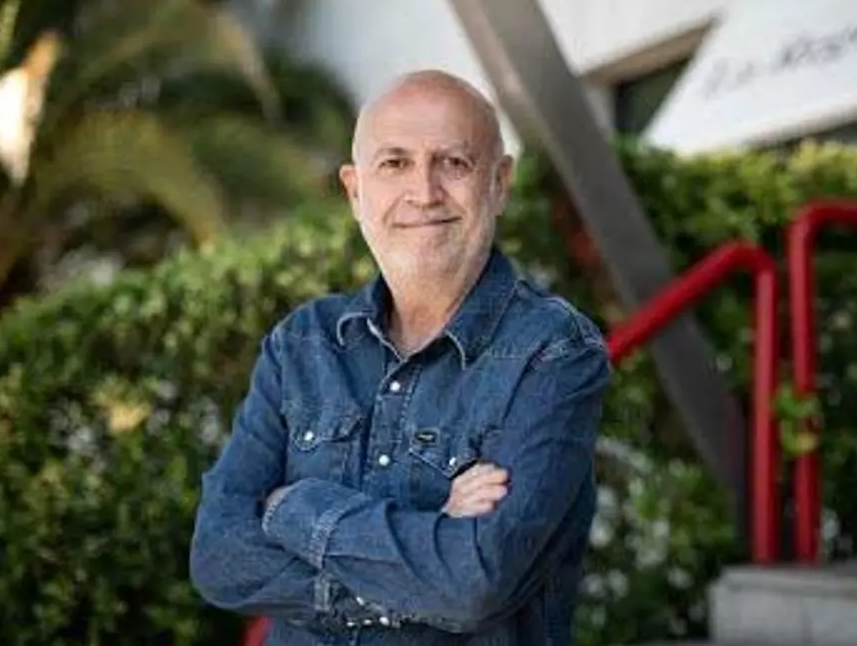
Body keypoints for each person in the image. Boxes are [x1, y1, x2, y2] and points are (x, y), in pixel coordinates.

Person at [189, 70, 612, 645]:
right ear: (355, 191)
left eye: (453, 163)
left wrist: (295, 508)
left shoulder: (553, 352)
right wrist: (431, 541)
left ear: (499, 183)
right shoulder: (302, 345)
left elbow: (475, 583)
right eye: (395, 163)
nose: (424, 192)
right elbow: (218, 556)